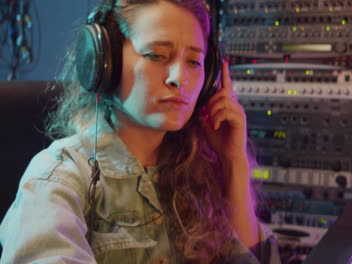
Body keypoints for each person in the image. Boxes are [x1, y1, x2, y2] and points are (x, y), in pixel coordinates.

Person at [0, 0, 280, 263]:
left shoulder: (200, 170)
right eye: (156, 55)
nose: (179, 78)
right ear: (102, 62)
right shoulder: (59, 178)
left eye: (194, 62)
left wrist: (234, 161)